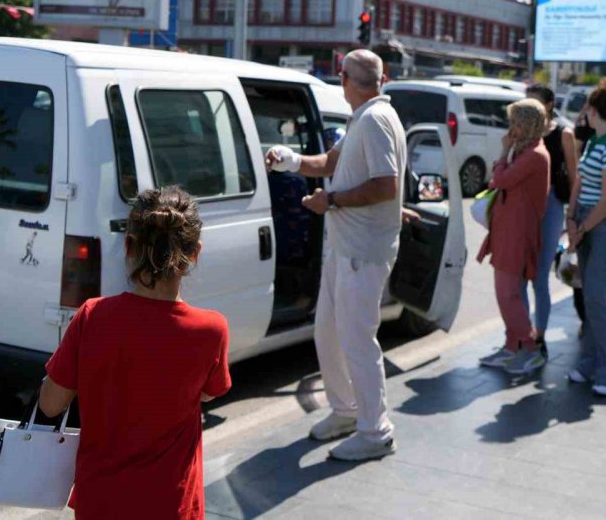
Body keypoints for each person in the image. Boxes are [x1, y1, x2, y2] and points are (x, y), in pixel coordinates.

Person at [39, 186, 231, 519]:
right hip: (172, 506)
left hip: (100, 503)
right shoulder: (211, 330)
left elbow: (50, 404)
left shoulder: (92, 316)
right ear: (195, 253)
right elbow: (208, 394)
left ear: (129, 247)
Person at [265, 49, 405, 461]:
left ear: (345, 79)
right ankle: (345, 411)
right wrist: (290, 161)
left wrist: (333, 200)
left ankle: (375, 429)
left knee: (358, 340)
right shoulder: (364, 117)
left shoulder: (376, 120)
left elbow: (386, 185)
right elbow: (329, 161)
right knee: (328, 331)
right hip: (345, 248)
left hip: (363, 251)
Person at [566, 78, 606, 396]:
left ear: (594, 110)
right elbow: (579, 179)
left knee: (594, 298)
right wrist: (571, 216)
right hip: (588, 223)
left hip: (604, 227)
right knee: (592, 298)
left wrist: (580, 227)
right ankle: (591, 362)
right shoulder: (595, 141)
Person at [476, 99, 551, 374]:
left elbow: (500, 181)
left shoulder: (534, 155)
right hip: (509, 230)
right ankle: (511, 346)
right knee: (505, 292)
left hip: (517, 234)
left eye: (515, 122)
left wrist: (504, 151)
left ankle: (531, 349)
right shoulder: (527, 151)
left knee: (508, 294)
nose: (510, 128)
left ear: (526, 124)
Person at [523, 84, 577, 357]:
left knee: (539, 276)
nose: (529, 107)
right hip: (522, 209)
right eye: (526, 102)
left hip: (552, 206)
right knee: (519, 275)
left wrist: (572, 214)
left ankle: (539, 335)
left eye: (534, 102)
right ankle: (521, 333)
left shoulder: (563, 134)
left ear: (549, 104)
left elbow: (574, 178)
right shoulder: (522, 130)